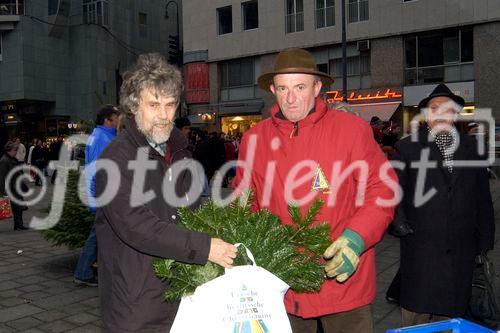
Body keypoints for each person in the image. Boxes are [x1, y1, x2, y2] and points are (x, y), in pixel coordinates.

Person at [233, 48, 397, 333]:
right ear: (272, 89)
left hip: (343, 285)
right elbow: (245, 205)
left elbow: (381, 189)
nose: (291, 98)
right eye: (282, 88)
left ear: (317, 87)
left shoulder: (352, 130)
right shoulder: (253, 140)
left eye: (300, 87)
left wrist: (357, 238)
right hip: (282, 287)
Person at [94, 53, 237, 332]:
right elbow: (135, 226)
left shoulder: (180, 150)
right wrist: (206, 247)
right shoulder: (115, 159)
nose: (163, 115)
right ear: (135, 107)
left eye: (170, 105)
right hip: (137, 305)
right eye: (154, 104)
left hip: (183, 295)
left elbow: (191, 211)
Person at [391, 83, 495, 326]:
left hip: (461, 250)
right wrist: (401, 225)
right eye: (434, 108)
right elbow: (392, 192)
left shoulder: (474, 149)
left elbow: (483, 197)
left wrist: (484, 241)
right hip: (422, 249)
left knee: (453, 318)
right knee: (416, 317)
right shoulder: (407, 148)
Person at [73, 105, 120, 287]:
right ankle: (83, 272)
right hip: (104, 197)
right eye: (116, 118)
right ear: (108, 120)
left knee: (101, 235)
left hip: (105, 195)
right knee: (98, 236)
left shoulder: (102, 136)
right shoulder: (102, 138)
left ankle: (85, 272)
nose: (118, 122)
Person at [0, 141, 28, 230]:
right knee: (16, 207)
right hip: (10, 188)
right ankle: (18, 225)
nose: (15, 152)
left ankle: (19, 225)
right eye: (14, 150)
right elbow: (2, 177)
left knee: (19, 207)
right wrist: (2, 191)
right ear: (9, 150)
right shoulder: (4, 160)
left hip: (16, 187)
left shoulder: (12, 159)